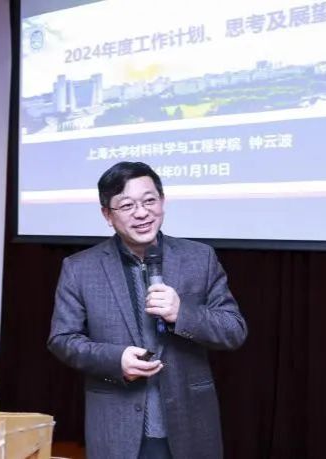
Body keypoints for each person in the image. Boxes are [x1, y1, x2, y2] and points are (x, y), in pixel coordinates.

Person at [47, 161, 247, 459]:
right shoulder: (80, 268)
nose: (141, 213)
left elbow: (234, 330)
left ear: (162, 202)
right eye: (127, 205)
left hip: (189, 424)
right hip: (117, 427)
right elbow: (62, 339)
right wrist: (115, 360)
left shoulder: (199, 258)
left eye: (149, 200)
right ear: (107, 215)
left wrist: (183, 313)